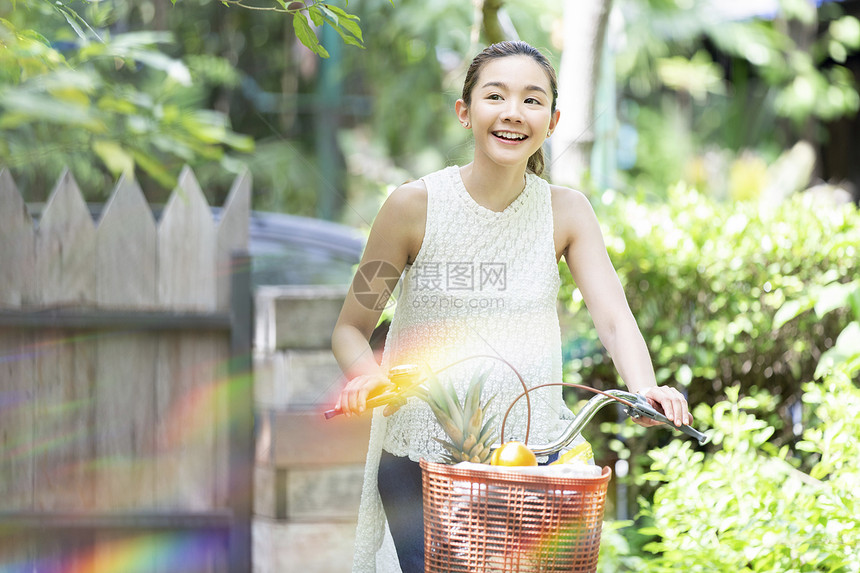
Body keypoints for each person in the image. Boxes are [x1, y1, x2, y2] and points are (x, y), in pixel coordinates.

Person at [331, 40, 691, 573]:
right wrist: (367, 378)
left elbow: (613, 318)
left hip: (531, 460)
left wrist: (645, 389)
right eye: (495, 96)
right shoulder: (412, 207)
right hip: (422, 460)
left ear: (552, 118)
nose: (513, 113)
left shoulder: (566, 212)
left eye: (532, 99)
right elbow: (351, 328)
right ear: (465, 111)